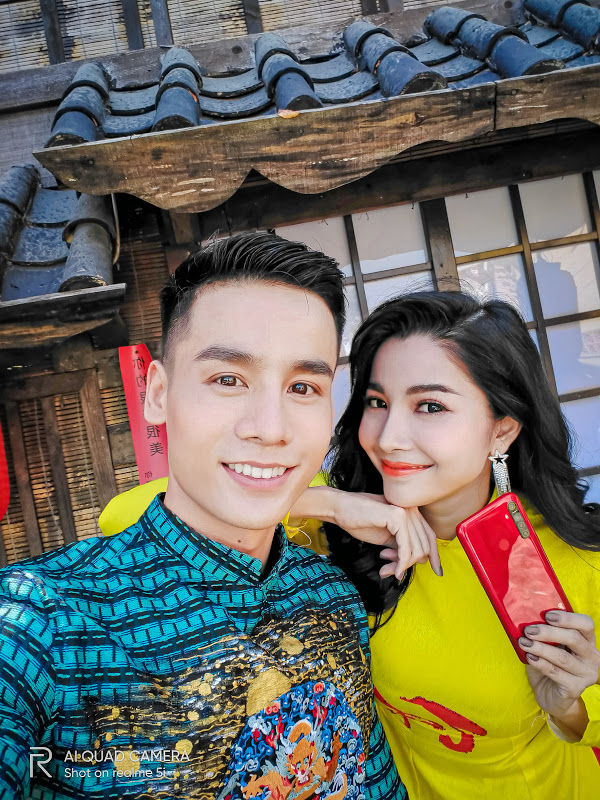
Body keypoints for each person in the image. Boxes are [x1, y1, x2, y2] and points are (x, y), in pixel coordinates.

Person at [0, 233, 405, 799]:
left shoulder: (331, 595)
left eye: (303, 386)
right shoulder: (40, 623)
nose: (271, 428)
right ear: (158, 394)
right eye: (228, 379)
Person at [297, 290, 599, 800]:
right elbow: (156, 510)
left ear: (501, 431)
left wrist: (568, 706)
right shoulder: (339, 520)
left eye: (430, 406)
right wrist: (329, 504)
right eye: (377, 402)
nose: (388, 437)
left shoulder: (577, 562)